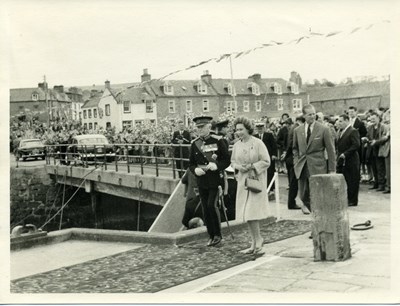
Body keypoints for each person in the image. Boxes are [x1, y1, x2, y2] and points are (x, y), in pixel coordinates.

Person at [188, 115, 230, 247]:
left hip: (215, 179)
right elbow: (191, 163)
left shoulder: (218, 140)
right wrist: (195, 170)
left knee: (212, 205)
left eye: (202, 127)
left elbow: (226, 160)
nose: (200, 130)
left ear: (209, 127)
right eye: (198, 127)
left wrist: (217, 166)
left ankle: (218, 235)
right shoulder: (195, 144)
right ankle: (211, 235)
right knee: (205, 208)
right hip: (202, 180)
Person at [231, 117, 270, 254]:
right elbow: (233, 162)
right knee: (246, 214)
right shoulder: (236, 145)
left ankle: (258, 239)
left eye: (241, 129)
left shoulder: (258, 143)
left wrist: (253, 166)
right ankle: (254, 242)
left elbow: (266, 161)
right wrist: (239, 167)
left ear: (248, 129)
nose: (239, 132)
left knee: (252, 212)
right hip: (243, 182)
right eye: (237, 130)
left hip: (255, 181)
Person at [292, 104, 336, 214]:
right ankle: (309, 207)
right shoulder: (298, 130)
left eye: (314, 114)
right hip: (302, 165)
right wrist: (296, 161)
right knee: (303, 192)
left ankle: (319, 212)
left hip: (318, 166)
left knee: (318, 191)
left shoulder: (323, 129)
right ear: (304, 116)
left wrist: (332, 169)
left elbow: (331, 150)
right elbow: (294, 148)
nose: (312, 116)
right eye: (309, 114)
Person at [336, 114, 361, 206]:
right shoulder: (341, 131)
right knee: (346, 179)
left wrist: (345, 153)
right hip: (343, 159)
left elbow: (356, 145)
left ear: (347, 121)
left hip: (351, 159)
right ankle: (348, 198)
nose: (339, 123)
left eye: (341, 121)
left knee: (352, 180)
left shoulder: (353, 131)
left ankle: (353, 200)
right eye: (339, 121)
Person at [281, 115, 305, 210]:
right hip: (293, 159)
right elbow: (292, 144)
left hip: (289, 158)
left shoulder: (292, 128)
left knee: (293, 182)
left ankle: (291, 202)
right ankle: (291, 203)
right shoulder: (297, 129)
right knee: (293, 183)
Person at [365, 112, 387, 191]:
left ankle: (382, 184)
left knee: (380, 167)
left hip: (379, 149)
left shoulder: (383, 127)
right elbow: (368, 136)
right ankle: (376, 183)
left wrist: (376, 142)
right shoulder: (370, 127)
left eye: (374, 119)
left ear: (378, 118)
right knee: (374, 167)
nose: (372, 121)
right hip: (371, 150)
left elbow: (385, 138)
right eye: (371, 119)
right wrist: (366, 139)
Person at [255, 122, 277, 194]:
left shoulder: (269, 135)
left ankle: (271, 189)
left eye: (261, 128)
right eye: (258, 129)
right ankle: (261, 187)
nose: (260, 130)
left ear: (264, 128)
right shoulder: (255, 136)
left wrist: (274, 154)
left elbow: (274, 145)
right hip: (259, 158)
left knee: (270, 172)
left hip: (269, 156)